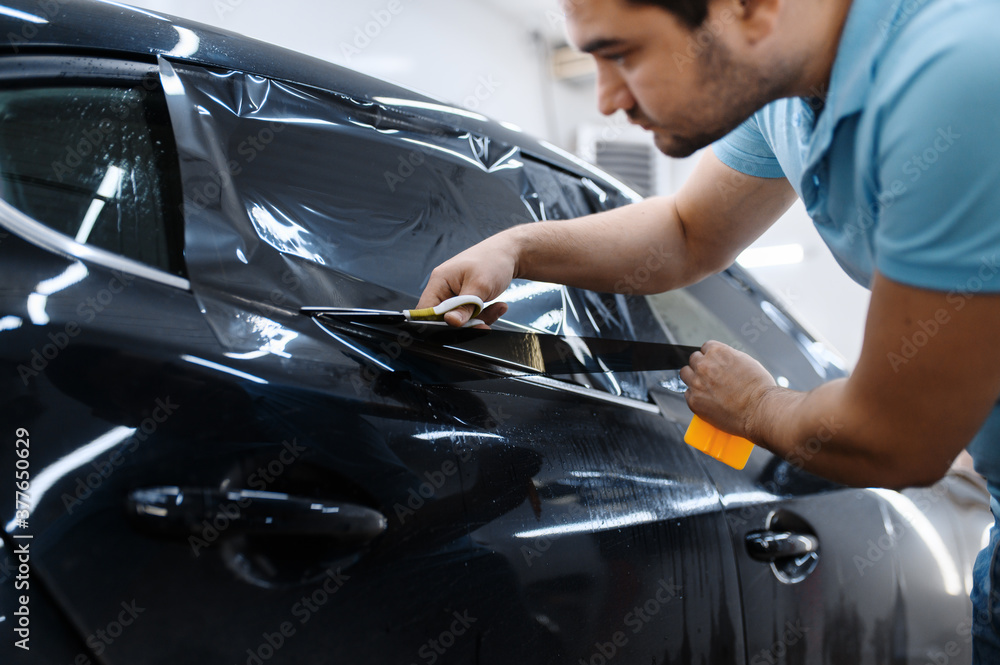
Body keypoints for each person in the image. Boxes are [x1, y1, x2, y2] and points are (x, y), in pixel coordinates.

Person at [416, 0, 1000, 658]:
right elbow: (688, 232)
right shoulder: (789, 90)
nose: (607, 99)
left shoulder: (960, 72)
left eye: (621, 54)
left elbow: (898, 437)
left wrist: (756, 406)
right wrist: (516, 249)